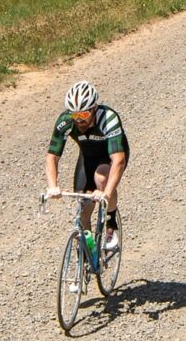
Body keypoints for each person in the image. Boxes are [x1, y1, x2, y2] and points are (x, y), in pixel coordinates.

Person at [46, 79, 128, 258]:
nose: (79, 120)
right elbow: (52, 156)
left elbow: (119, 160)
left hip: (111, 157)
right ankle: (89, 256)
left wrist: (106, 194)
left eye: (83, 115)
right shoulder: (66, 121)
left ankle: (111, 226)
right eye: (75, 116)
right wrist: (52, 186)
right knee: (83, 209)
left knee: (102, 179)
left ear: (94, 109)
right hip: (88, 158)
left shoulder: (108, 119)